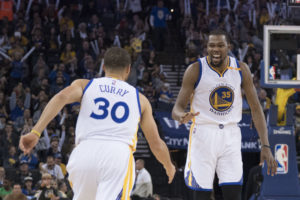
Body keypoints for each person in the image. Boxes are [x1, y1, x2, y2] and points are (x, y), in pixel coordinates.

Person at [19, 47, 175, 200]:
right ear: (128, 69)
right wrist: (169, 165)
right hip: (116, 155)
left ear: (104, 67)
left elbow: (61, 97)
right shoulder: (140, 99)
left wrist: (36, 132)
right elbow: (155, 143)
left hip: (83, 153)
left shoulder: (85, 85)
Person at [171, 29, 277, 200]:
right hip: (203, 134)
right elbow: (176, 108)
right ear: (207, 47)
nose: (215, 49)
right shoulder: (195, 69)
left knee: (234, 194)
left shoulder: (241, 69)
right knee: (202, 195)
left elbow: (256, 109)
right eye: (211, 45)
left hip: (231, 134)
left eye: (220, 45)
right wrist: (181, 115)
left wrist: (265, 145)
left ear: (228, 46)